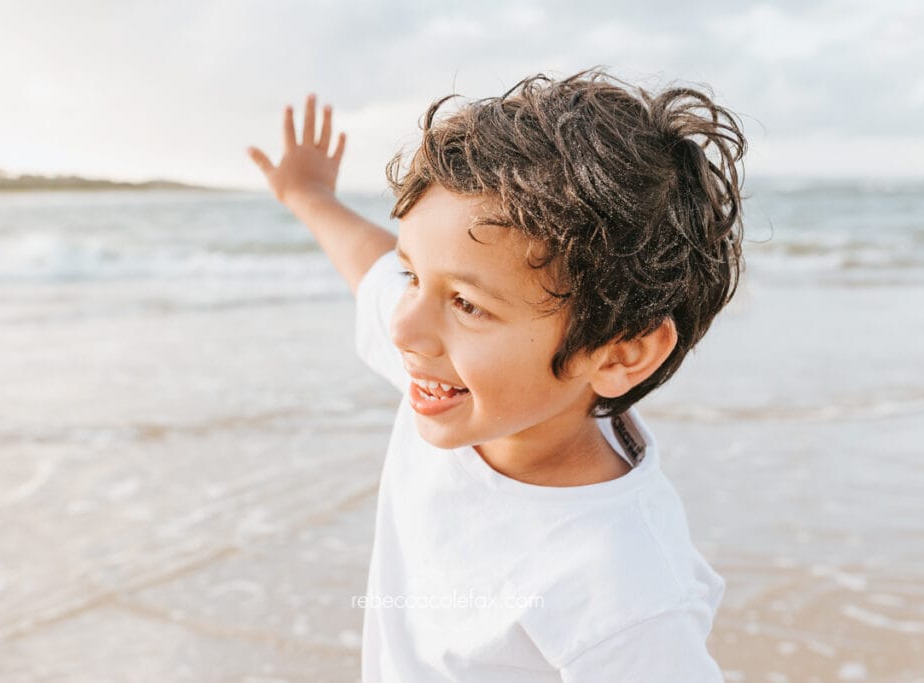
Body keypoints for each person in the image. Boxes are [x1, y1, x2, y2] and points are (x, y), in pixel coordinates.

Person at [248, 66, 745, 682]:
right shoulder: (450, 378)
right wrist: (309, 194)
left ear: (619, 355)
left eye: (466, 304)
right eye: (414, 277)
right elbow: (367, 262)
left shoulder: (626, 594)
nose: (403, 329)